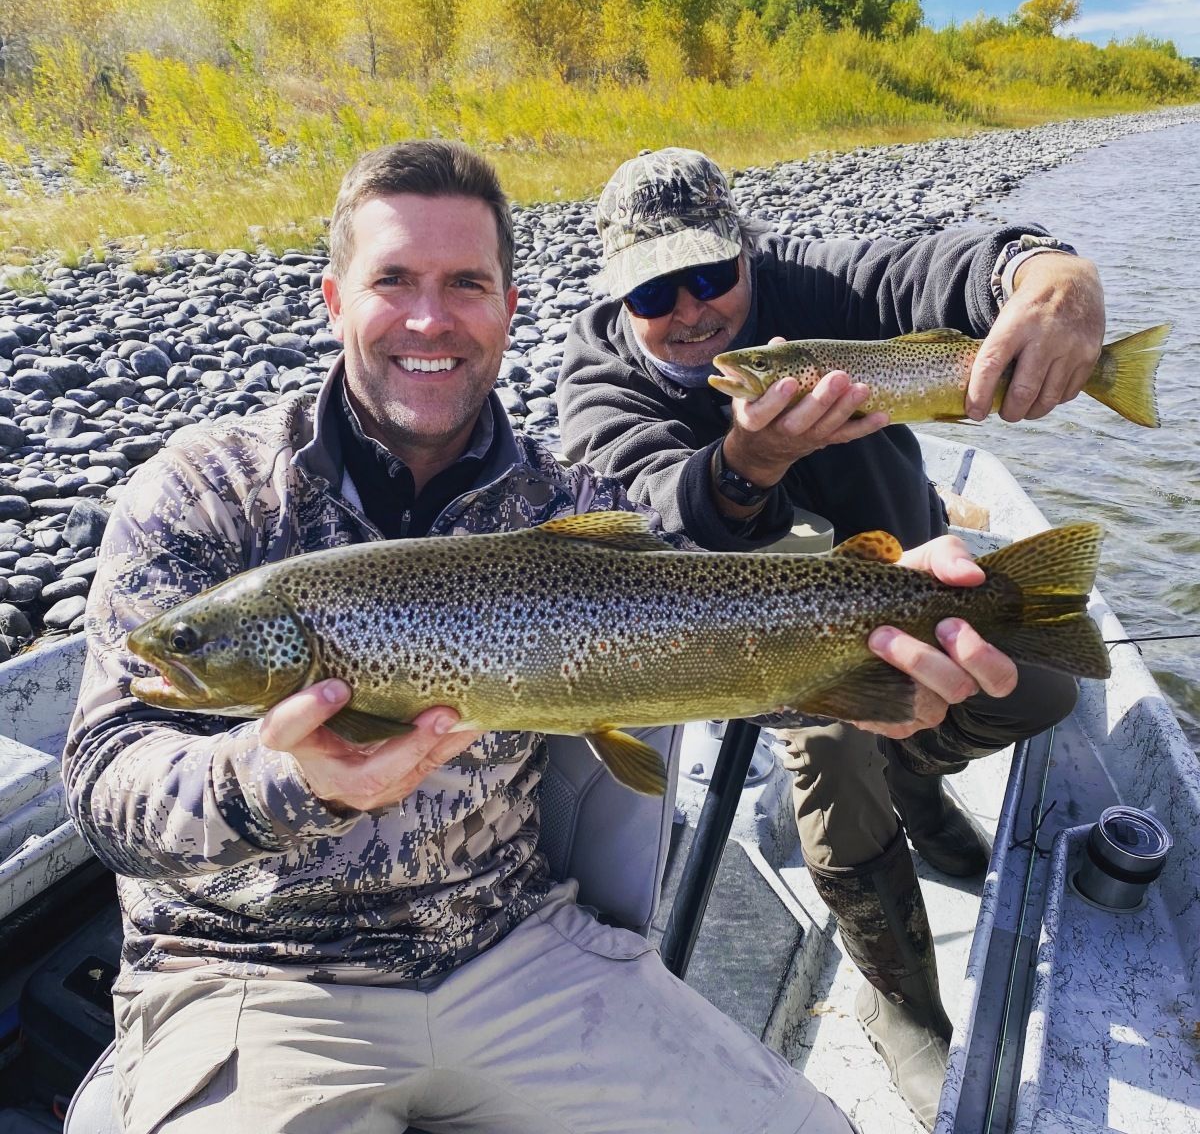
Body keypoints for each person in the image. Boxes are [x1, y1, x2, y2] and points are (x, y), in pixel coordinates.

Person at [67, 139, 1020, 1134]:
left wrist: (881, 649)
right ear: (335, 300)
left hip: (517, 953)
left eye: (467, 284)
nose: (430, 318)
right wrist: (291, 781)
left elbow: (702, 642)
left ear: (510, 307)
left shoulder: (568, 502)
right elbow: (101, 787)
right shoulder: (204, 494)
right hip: (254, 978)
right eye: (393, 280)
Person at [557, 147, 1099, 1128]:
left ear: (746, 256)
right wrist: (749, 461)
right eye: (652, 289)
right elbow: (657, 522)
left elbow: (927, 269)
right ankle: (896, 999)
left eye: (712, 275)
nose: (691, 308)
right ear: (616, 295)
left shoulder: (808, 288)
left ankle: (920, 782)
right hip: (752, 644)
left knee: (1050, 691)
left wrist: (1048, 275)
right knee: (843, 748)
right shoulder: (601, 388)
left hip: (911, 583)